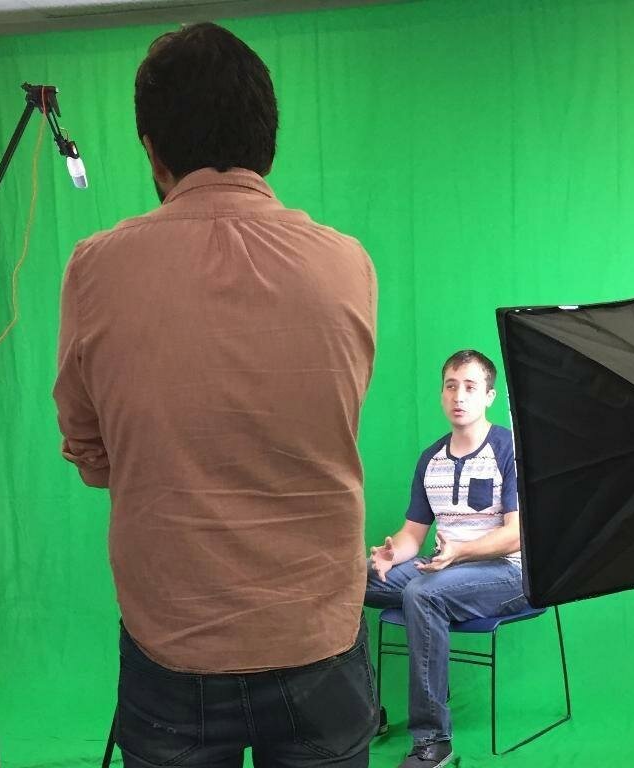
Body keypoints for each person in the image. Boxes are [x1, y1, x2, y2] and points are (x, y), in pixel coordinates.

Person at [53, 22, 378, 768]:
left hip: (174, 636)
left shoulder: (96, 268)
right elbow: (334, 417)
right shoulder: (347, 263)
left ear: (151, 149)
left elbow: (90, 451)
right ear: (268, 142)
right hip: (318, 629)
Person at [365, 350, 525, 768]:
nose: (459, 396)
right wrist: (391, 554)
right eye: (451, 386)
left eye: (470, 387)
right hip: (443, 569)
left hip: (508, 574)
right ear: (442, 394)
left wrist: (460, 552)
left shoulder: (510, 449)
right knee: (352, 580)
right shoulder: (430, 458)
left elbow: (516, 535)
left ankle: (433, 738)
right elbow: (413, 536)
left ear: (489, 396)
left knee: (423, 594)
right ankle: (365, 711)